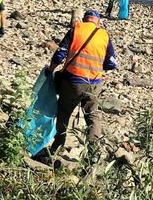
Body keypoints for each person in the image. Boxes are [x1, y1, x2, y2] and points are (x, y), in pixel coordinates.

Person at [45, 9, 117, 157]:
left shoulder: (76, 29)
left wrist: (50, 70)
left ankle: (58, 146)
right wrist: (96, 68)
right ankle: (92, 153)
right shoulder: (104, 35)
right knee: (93, 116)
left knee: (64, 112)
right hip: (94, 84)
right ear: (97, 22)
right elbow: (111, 63)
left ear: (85, 19)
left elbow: (60, 54)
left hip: (73, 81)